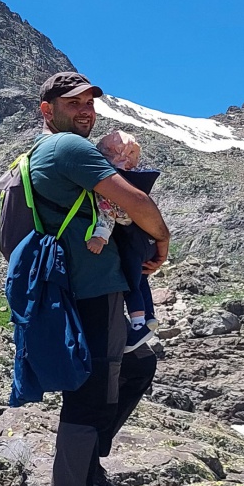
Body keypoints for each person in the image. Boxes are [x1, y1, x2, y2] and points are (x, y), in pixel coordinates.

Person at [26, 71, 171, 486]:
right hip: (91, 295)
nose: (85, 110)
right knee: (89, 401)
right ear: (48, 109)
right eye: (73, 103)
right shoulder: (67, 148)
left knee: (135, 366)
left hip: (82, 292)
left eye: (90, 102)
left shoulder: (42, 153)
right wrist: (163, 239)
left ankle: (89, 474)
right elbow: (135, 201)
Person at [85, 128, 159, 351]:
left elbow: (108, 212)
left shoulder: (112, 184)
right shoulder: (136, 181)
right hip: (145, 241)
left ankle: (138, 327)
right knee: (141, 277)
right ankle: (149, 315)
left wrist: (100, 236)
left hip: (128, 240)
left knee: (129, 282)